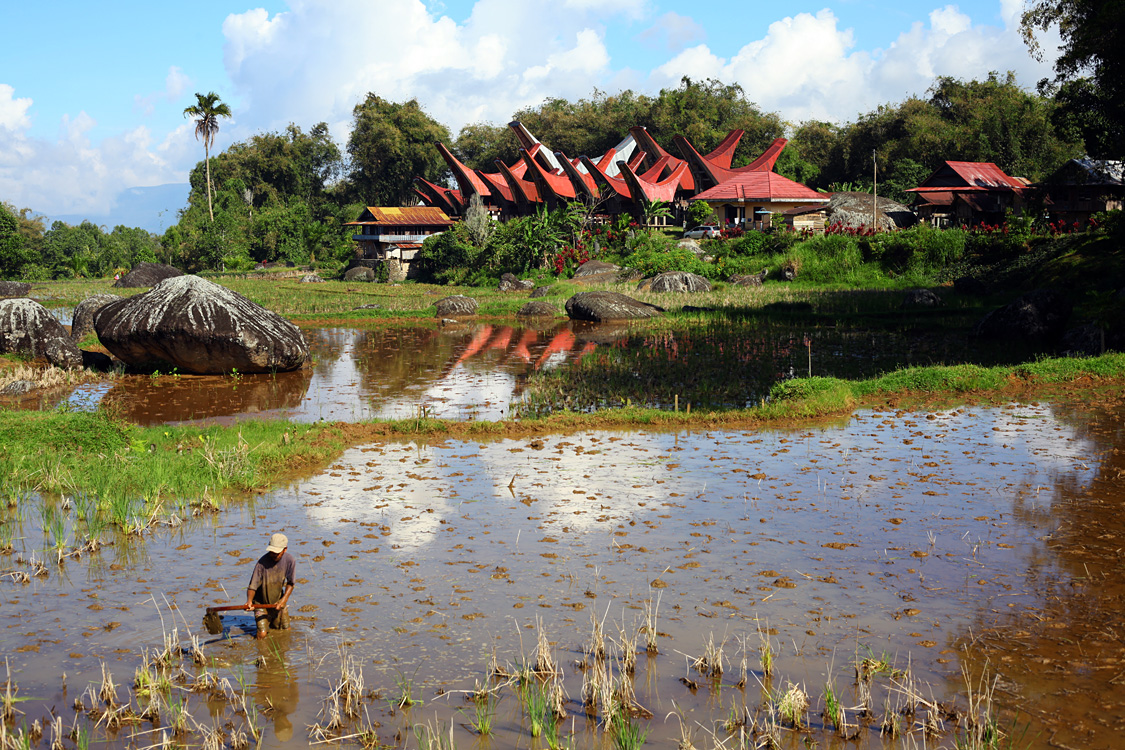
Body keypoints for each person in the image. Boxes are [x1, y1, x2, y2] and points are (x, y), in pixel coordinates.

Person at [245, 532, 295, 639]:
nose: (273, 555)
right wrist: (249, 601)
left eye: (277, 553)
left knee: (286, 631)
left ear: (285, 549)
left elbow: (290, 583)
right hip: (261, 604)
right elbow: (252, 586)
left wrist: (283, 600)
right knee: (262, 634)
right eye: (272, 552)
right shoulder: (261, 563)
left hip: (278, 602)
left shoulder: (289, 561)